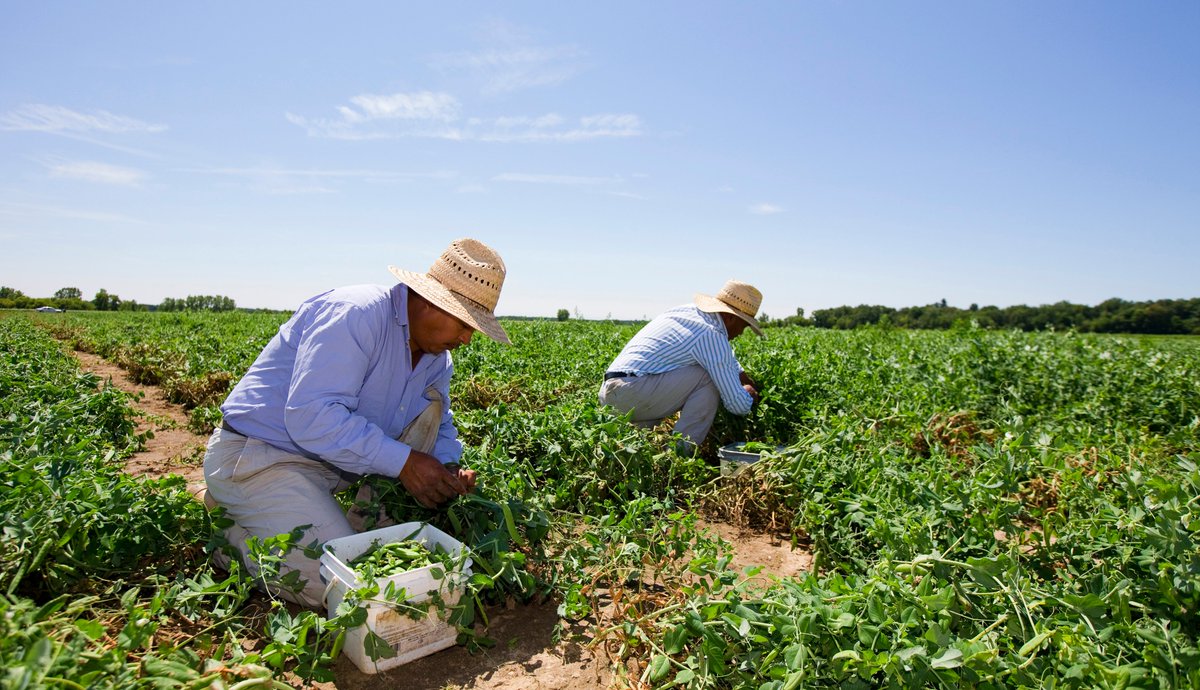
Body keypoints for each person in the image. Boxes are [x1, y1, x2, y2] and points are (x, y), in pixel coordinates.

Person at [200, 238, 510, 608]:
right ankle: (226, 531)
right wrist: (405, 463)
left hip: (331, 469)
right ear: (430, 301)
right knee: (336, 584)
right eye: (464, 323)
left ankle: (335, 520)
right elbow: (311, 415)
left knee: (429, 413)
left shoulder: (436, 359)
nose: (467, 338)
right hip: (261, 459)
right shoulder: (356, 315)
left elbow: (440, 424)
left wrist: (448, 465)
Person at [598, 280, 764, 456]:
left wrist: (743, 376)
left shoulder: (690, 314)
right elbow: (738, 405)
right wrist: (748, 394)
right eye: (743, 326)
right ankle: (678, 455)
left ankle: (643, 450)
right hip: (631, 392)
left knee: (701, 370)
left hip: (616, 391)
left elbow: (723, 357)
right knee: (707, 376)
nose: (740, 333)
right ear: (730, 318)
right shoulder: (711, 333)